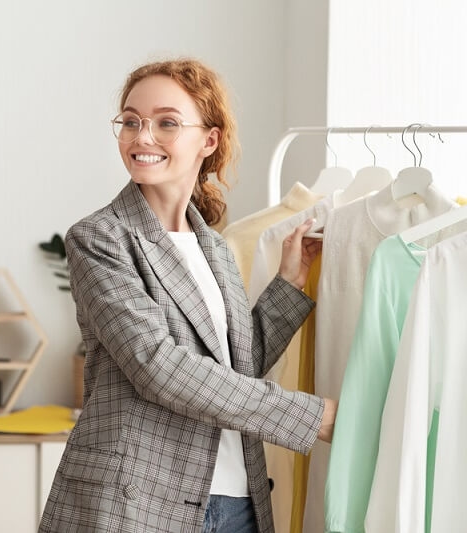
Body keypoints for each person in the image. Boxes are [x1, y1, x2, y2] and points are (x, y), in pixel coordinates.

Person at [38, 58, 337, 533]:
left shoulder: (213, 248)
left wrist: (289, 282)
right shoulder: (100, 239)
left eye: (166, 123)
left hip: (237, 500)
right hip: (134, 503)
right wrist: (311, 415)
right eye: (131, 122)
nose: (142, 136)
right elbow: (156, 365)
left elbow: (235, 369)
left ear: (210, 139)